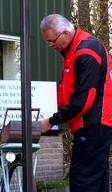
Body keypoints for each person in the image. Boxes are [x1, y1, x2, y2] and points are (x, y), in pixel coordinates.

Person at [39, 14, 112, 192]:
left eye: (52, 40)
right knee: (97, 180)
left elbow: (83, 100)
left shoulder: (86, 51)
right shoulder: (73, 51)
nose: (50, 45)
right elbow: (67, 90)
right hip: (93, 125)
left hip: (94, 124)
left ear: (65, 33)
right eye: (47, 42)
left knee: (82, 179)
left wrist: (52, 120)